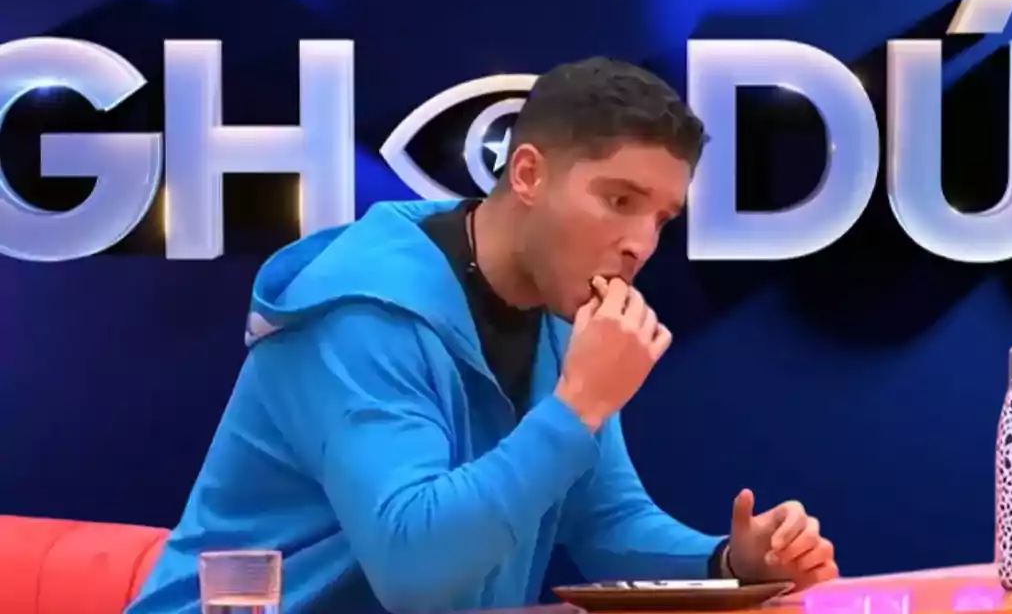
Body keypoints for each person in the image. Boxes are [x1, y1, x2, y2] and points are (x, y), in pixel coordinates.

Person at [127, 57, 837, 614]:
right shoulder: (364, 312)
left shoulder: (564, 309)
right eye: (619, 201)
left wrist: (728, 564)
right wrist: (577, 408)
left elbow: (605, 523)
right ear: (527, 173)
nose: (639, 243)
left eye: (661, 217)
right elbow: (413, 568)